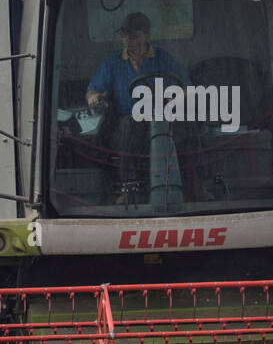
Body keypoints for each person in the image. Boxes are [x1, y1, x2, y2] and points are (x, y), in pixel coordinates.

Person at [85, 12, 198, 202]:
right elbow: (93, 91)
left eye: (134, 35)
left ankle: (197, 185)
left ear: (147, 35)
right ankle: (127, 188)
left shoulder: (163, 58)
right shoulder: (113, 63)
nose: (128, 40)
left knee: (190, 124)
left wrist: (175, 99)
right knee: (127, 126)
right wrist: (94, 98)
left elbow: (188, 89)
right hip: (129, 120)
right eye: (125, 35)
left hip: (163, 118)